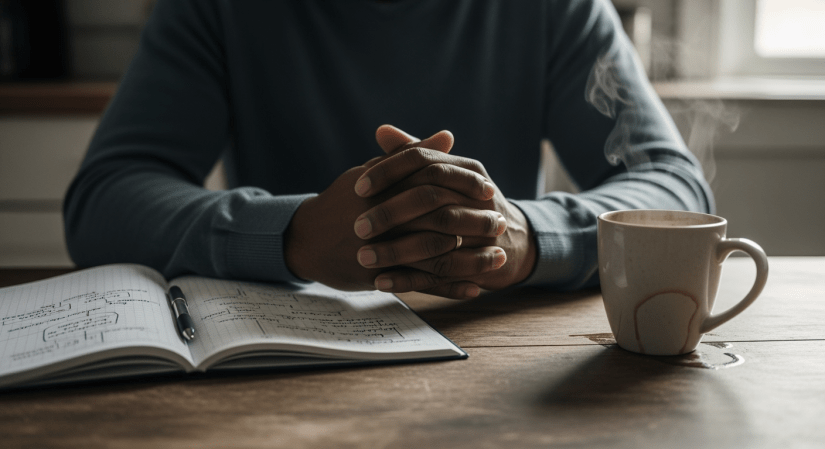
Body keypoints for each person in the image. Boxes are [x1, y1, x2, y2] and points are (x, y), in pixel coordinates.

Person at [63, 0, 713, 299]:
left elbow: (672, 187)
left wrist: (521, 235)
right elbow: (106, 196)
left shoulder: (554, 8)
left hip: (501, 366)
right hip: (272, 374)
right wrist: (289, 234)